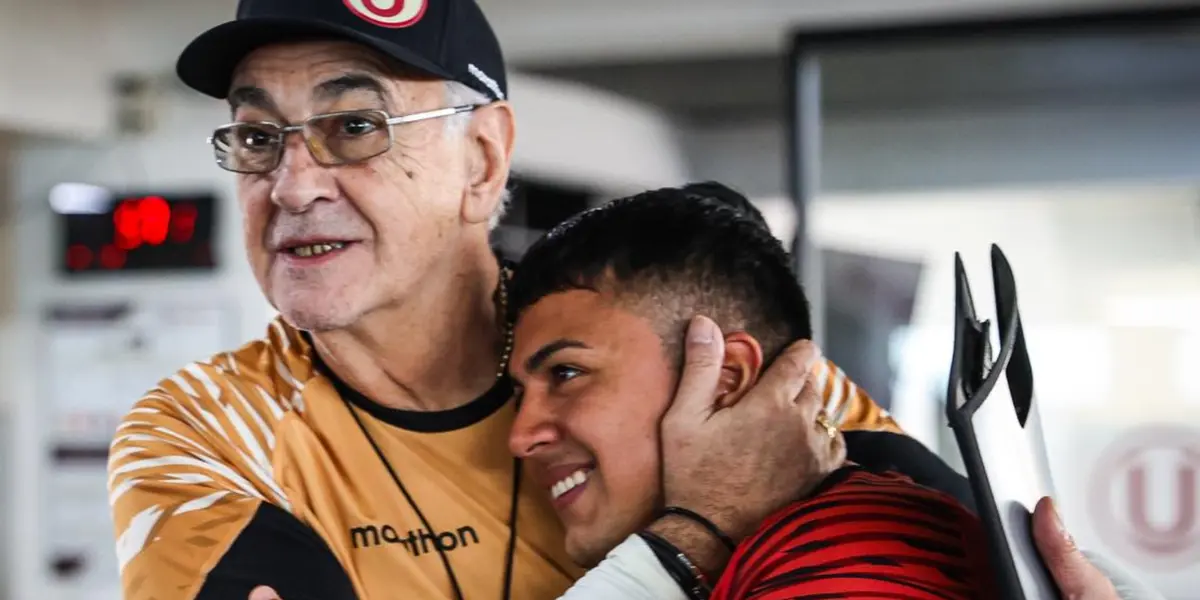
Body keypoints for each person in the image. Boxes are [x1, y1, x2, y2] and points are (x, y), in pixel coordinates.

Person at [106, 2, 889, 599]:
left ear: (482, 159)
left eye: (355, 126)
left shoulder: (677, 333)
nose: (292, 185)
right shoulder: (200, 435)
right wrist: (699, 533)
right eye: (256, 137)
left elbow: (941, 551)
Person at [504, 184, 1000, 598]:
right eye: (521, 394)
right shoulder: (804, 552)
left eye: (566, 373)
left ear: (725, 377)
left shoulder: (852, 567)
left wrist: (696, 531)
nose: (520, 436)